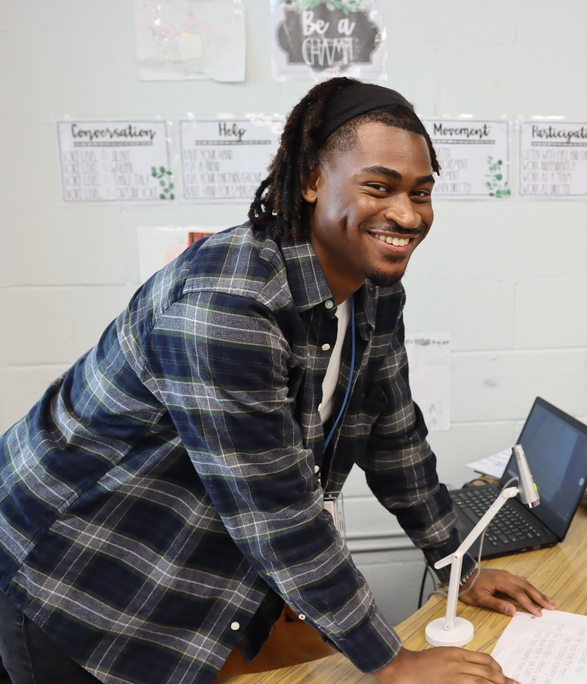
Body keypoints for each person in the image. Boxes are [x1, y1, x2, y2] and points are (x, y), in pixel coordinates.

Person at [0, 78, 554, 684]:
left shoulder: (374, 292)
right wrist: (394, 663)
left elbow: (395, 438)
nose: (406, 213)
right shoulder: (229, 302)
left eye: (421, 193)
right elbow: (277, 511)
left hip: (182, 574)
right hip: (71, 579)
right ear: (312, 181)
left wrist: (460, 564)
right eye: (379, 186)